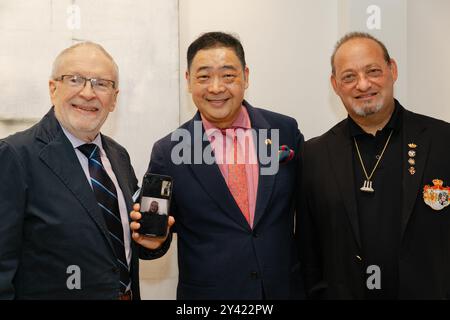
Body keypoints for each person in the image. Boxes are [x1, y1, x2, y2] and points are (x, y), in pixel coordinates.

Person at [131, 32, 304, 299]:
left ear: (246, 76)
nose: (216, 88)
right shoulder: (169, 151)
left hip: (283, 290)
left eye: (228, 75)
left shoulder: (283, 130)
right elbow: (153, 237)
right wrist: (153, 241)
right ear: (188, 81)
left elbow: (309, 209)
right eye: (203, 77)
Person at [0, 42, 173, 299]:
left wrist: (153, 243)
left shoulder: (118, 156)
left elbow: (119, 241)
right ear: (53, 88)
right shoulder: (15, 155)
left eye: (101, 84)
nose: (88, 93)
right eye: (75, 79)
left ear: (114, 99)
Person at [298, 32, 450, 299]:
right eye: (349, 77)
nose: (363, 84)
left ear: (392, 70)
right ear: (335, 85)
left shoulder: (442, 141)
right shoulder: (314, 155)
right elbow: (308, 251)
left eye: (373, 71)